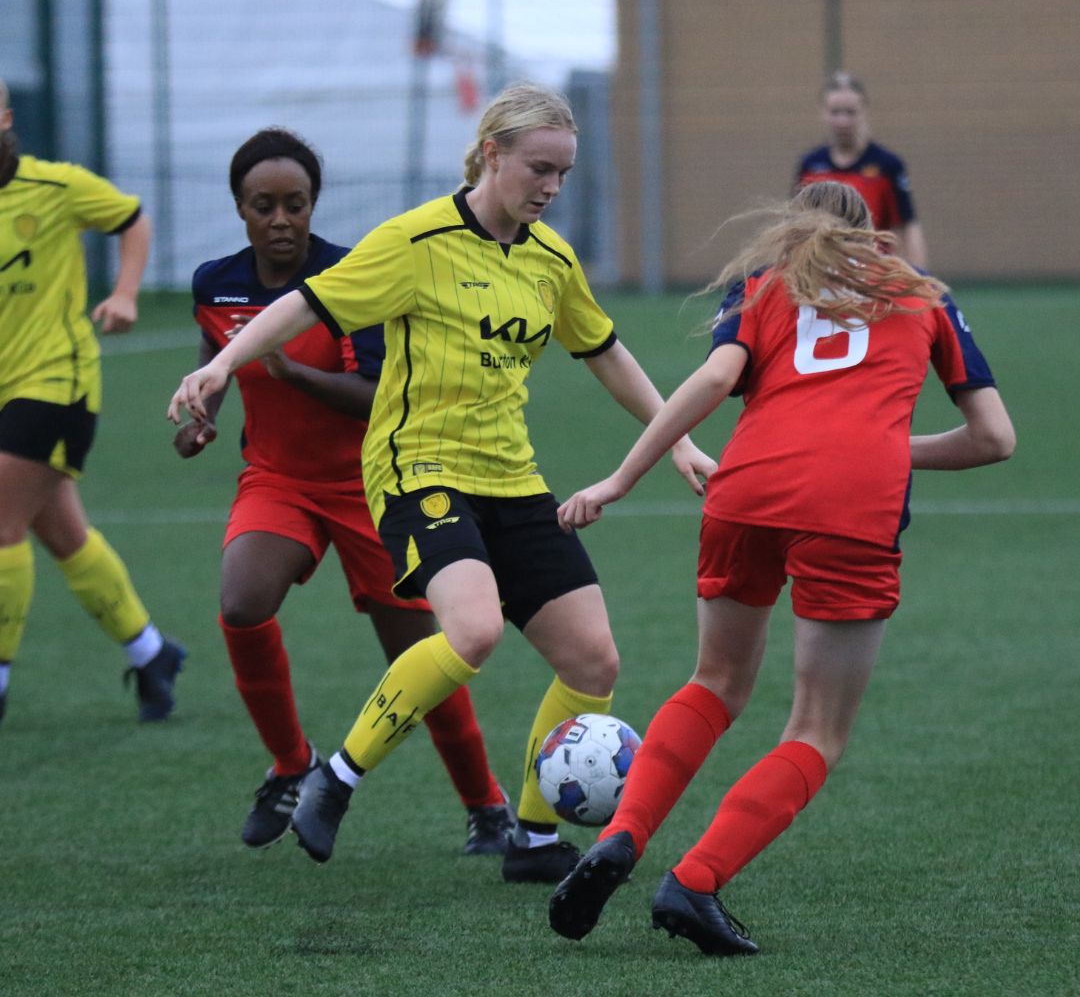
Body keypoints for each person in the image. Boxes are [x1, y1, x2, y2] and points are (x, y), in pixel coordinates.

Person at [168, 83, 715, 884]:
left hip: (511, 476)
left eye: (563, 173)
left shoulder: (551, 258)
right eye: (539, 168)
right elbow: (305, 306)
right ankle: (334, 778)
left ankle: (532, 840)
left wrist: (680, 441)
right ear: (491, 153)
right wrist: (220, 365)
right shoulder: (414, 240)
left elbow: (604, 352)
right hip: (417, 466)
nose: (552, 187)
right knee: (474, 630)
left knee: (593, 661)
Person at [548, 180, 1014, 955]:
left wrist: (622, 478)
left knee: (714, 682)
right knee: (816, 729)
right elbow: (994, 438)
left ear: (794, 228)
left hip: (746, 487)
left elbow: (714, 380)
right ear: (872, 232)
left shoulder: (764, 283)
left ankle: (622, 835)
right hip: (852, 507)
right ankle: (694, 881)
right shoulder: (922, 294)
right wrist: (878, 449)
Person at [172, 127, 514, 853]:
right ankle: (290, 765)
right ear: (240, 209)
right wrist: (203, 416)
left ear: (313, 205)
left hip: (373, 486)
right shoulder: (216, 283)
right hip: (278, 478)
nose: (281, 220)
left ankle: (486, 806)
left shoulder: (351, 276)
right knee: (241, 603)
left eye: (295, 204)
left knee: (420, 655)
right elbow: (217, 356)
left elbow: (374, 394)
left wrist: (292, 372)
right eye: (264, 205)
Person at [0, 77, 185, 727]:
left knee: (2, 523)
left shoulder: (55, 187)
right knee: (65, 536)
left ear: (6, 117)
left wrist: (127, 292)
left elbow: (131, 219)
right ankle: (152, 652)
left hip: (57, 382)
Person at [795, 71, 928, 268]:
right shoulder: (810, 165)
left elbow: (907, 226)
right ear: (823, 112)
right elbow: (796, 226)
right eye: (835, 112)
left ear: (864, 111)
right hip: (823, 271)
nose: (843, 121)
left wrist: (918, 275)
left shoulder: (887, 165)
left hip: (873, 271)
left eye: (850, 112)